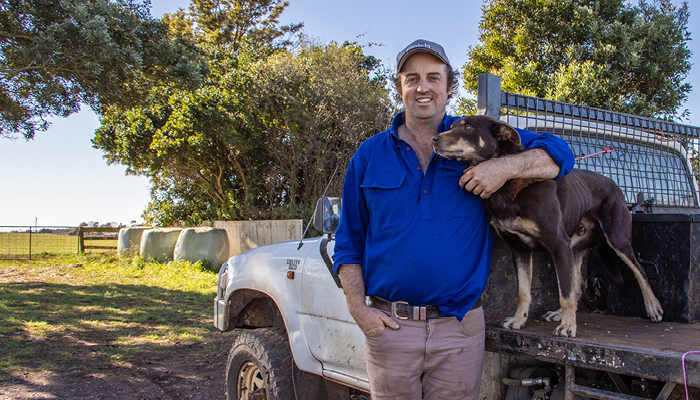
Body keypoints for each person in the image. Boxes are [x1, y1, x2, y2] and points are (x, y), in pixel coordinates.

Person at [332, 39, 575, 400]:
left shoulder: (474, 138)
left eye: (433, 77)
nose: (423, 87)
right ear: (400, 87)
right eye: (412, 78)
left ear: (449, 86)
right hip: (390, 328)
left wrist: (502, 168)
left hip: (459, 330)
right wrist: (358, 310)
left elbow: (562, 155)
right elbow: (349, 243)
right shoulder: (368, 156)